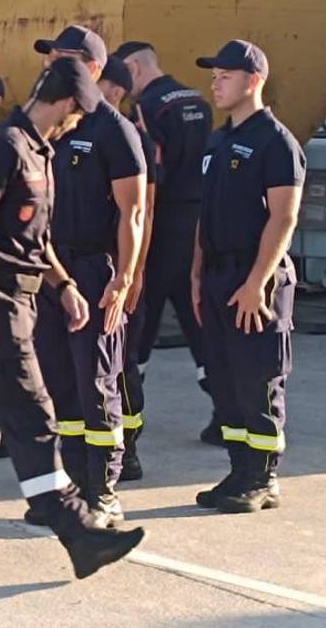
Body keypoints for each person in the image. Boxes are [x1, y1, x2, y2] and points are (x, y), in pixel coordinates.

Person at [0, 57, 146, 578]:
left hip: (23, 297)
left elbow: (32, 241)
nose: (77, 126)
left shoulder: (40, 152)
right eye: (78, 116)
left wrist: (62, 285)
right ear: (66, 103)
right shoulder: (4, 147)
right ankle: (77, 530)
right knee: (37, 416)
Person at [31, 25, 146, 529]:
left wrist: (122, 279)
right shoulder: (54, 126)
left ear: (95, 68)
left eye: (66, 59)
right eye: (52, 58)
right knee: (58, 382)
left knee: (96, 381)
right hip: (52, 273)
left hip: (94, 267)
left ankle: (104, 490)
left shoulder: (114, 130)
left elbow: (133, 213)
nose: (54, 66)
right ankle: (72, 486)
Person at [192, 40, 302, 514]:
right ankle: (239, 470)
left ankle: (263, 478)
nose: (215, 83)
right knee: (226, 379)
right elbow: (204, 212)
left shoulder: (276, 142)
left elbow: (283, 218)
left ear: (252, 81)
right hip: (216, 274)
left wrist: (257, 282)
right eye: (214, 74)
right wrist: (196, 273)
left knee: (258, 378)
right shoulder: (217, 141)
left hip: (253, 276)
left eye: (225, 76)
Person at [115, 40, 216, 444]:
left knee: (139, 320)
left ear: (136, 68)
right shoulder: (197, 100)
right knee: (198, 319)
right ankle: (228, 414)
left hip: (163, 220)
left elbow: (153, 174)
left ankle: (125, 411)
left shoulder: (148, 109)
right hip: (196, 220)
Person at [101, 53, 159, 481]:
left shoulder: (130, 138)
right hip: (79, 265)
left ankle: (130, 447)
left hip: (114, 263)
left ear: (116, 90)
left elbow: (144, 210)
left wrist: (133, 272)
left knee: (121, 362)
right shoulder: (74, 132)